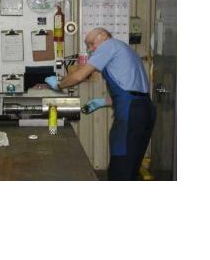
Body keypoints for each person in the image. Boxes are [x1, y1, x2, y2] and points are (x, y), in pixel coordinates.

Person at [45, 27, 156, 181]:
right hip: (145, 110)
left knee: (120, 169)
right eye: (88, 46)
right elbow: (132, 92)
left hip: (131, 114)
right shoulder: (124, 48)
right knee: (131, 166)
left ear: (103, 36)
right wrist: (102, 102)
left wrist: (59, 84)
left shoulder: (108, 45)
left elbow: (78, 77)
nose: (91, 49)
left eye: (91, 44)